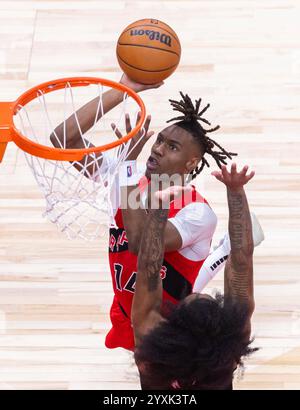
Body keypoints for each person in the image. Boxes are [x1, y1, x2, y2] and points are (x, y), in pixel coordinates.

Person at [50, 74, 262, 351]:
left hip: (176, 328)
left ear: (191, 163)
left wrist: (125, 165)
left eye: (171, 147)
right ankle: (221, 252)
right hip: (130, 308)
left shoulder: (197, 212)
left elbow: (140, 244)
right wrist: (122, 90)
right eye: (159, 140)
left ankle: (221, 254)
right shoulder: (127, 176)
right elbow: (63, 139)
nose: (158, 149)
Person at [132, 163, 258, 390]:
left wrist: (159, 209)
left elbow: (148, 265)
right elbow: (241, 261)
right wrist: (236, 191)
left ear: (174, 320)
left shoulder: (155, 347)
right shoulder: (226, 351)